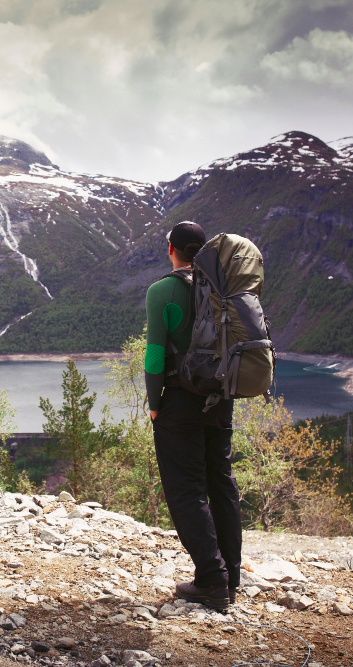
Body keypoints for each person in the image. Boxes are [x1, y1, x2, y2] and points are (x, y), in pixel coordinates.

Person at [144, 221, 242, 610]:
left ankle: (211, 581)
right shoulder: (224, 288)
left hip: (180, 400)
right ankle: (230, 577)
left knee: (186, 488)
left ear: (172, 250)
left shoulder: (162, 290)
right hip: (220, 397)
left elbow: (154, 355)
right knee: (220, 481)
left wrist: (154, 403)